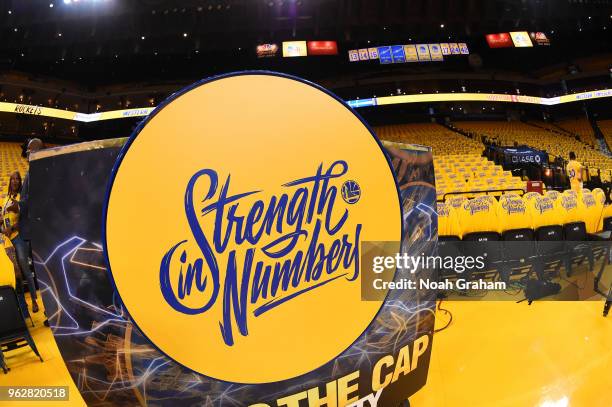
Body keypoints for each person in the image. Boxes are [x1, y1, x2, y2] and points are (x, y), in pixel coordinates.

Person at [3, 171, 39, 313]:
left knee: (25, 270)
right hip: (7, 240)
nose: (15, 181)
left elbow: (23, 220)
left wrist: (12, 227)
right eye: (13, 179)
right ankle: (22, 307)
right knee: (15, 274)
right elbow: (5, 217)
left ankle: (35, 301)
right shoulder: (5, 199)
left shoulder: (21, 197)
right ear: (10, 181)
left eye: (17, 179)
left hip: (18, 237)